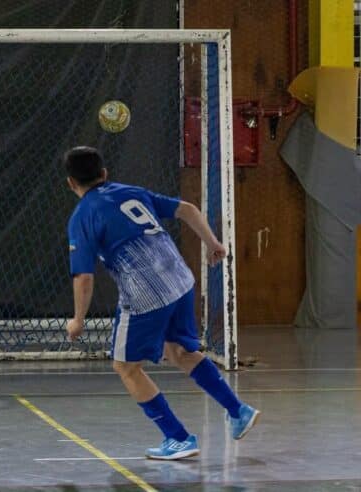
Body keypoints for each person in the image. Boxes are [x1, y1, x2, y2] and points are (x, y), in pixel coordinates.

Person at [63, 146, 259, 460]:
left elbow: (84, 278)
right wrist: (212, 243)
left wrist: (78, 319)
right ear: (104, 173)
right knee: (180, 351)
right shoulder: (131, 192)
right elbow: (188, 209)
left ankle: (178, 438)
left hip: (146, 293)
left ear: (71, 183)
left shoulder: (82, 217)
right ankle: (238, 411)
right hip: (180, 279)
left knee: (126, 367)